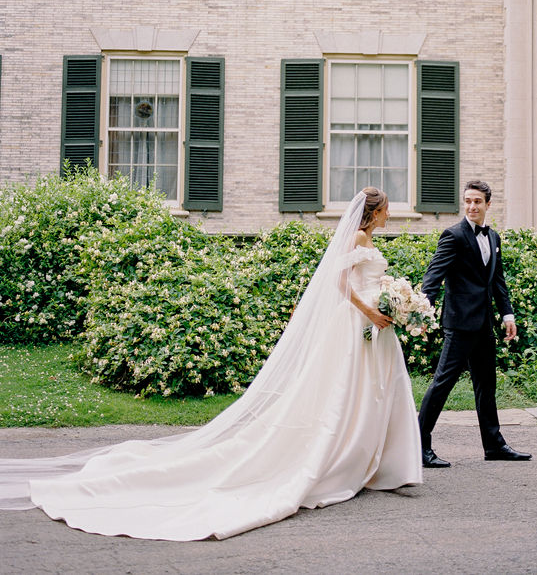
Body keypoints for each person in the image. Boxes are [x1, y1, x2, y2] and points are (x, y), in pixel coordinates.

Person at [0, 188, 422, 540]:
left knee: (376, 391)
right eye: (386, 209)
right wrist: (371, 311)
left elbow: (365, 280)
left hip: (374, 327)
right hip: (358, 325)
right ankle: (348, 459)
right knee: (348, 393)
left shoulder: (367, 243)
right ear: (375, 212)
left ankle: (378, 461)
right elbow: (339, 283)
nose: (389, 214)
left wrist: (391, 298)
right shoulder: (358, 241)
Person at [418, 179, 532, 467]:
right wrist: (422, 312)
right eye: (468, 201)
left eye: (477, 201)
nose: (471, 206)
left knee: (486, 385)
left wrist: (507, 315)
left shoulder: (493, 238)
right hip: (458, 325)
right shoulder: (453, 235)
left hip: (483, 325)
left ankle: (493, 445)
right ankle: (418, 446)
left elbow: (497, 281)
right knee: (442, 384)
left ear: (487, 204)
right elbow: (433, 277)